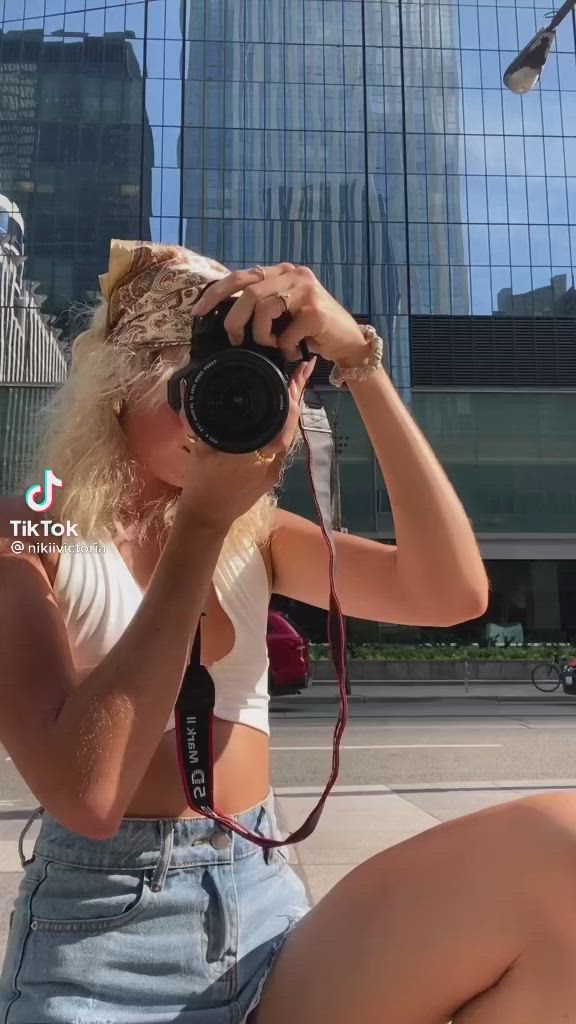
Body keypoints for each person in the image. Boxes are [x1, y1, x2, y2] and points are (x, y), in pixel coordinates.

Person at [0, 241, 573, 1024]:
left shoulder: (255, 532)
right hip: (100, 935)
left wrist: (360, 361)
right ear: (116, 383)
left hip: (264, 911)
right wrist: (200, 519)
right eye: (194, 381)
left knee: (560, 851)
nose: (224, 405)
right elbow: (87, 796)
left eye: (247, 381)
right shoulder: (35, 519)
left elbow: (450, 592)